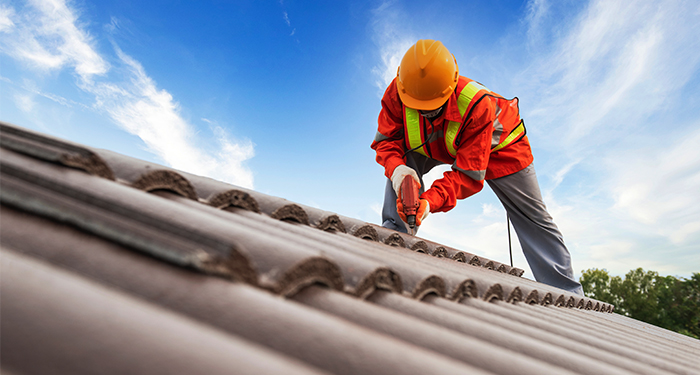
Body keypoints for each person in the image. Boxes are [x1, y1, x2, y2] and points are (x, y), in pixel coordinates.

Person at [371, 39, 583, 295]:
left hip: (500, 148)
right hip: (436, 142)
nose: (425, 112)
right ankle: (395, 240)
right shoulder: (399, 92)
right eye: (419, 107)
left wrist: (429, 202)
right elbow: (388, 142)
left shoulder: (477, 104)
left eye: (432, 107)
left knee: (533, 218)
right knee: (403, 164)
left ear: (450, 89)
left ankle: (567, 294)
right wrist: (399, 173)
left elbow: (468, 174)